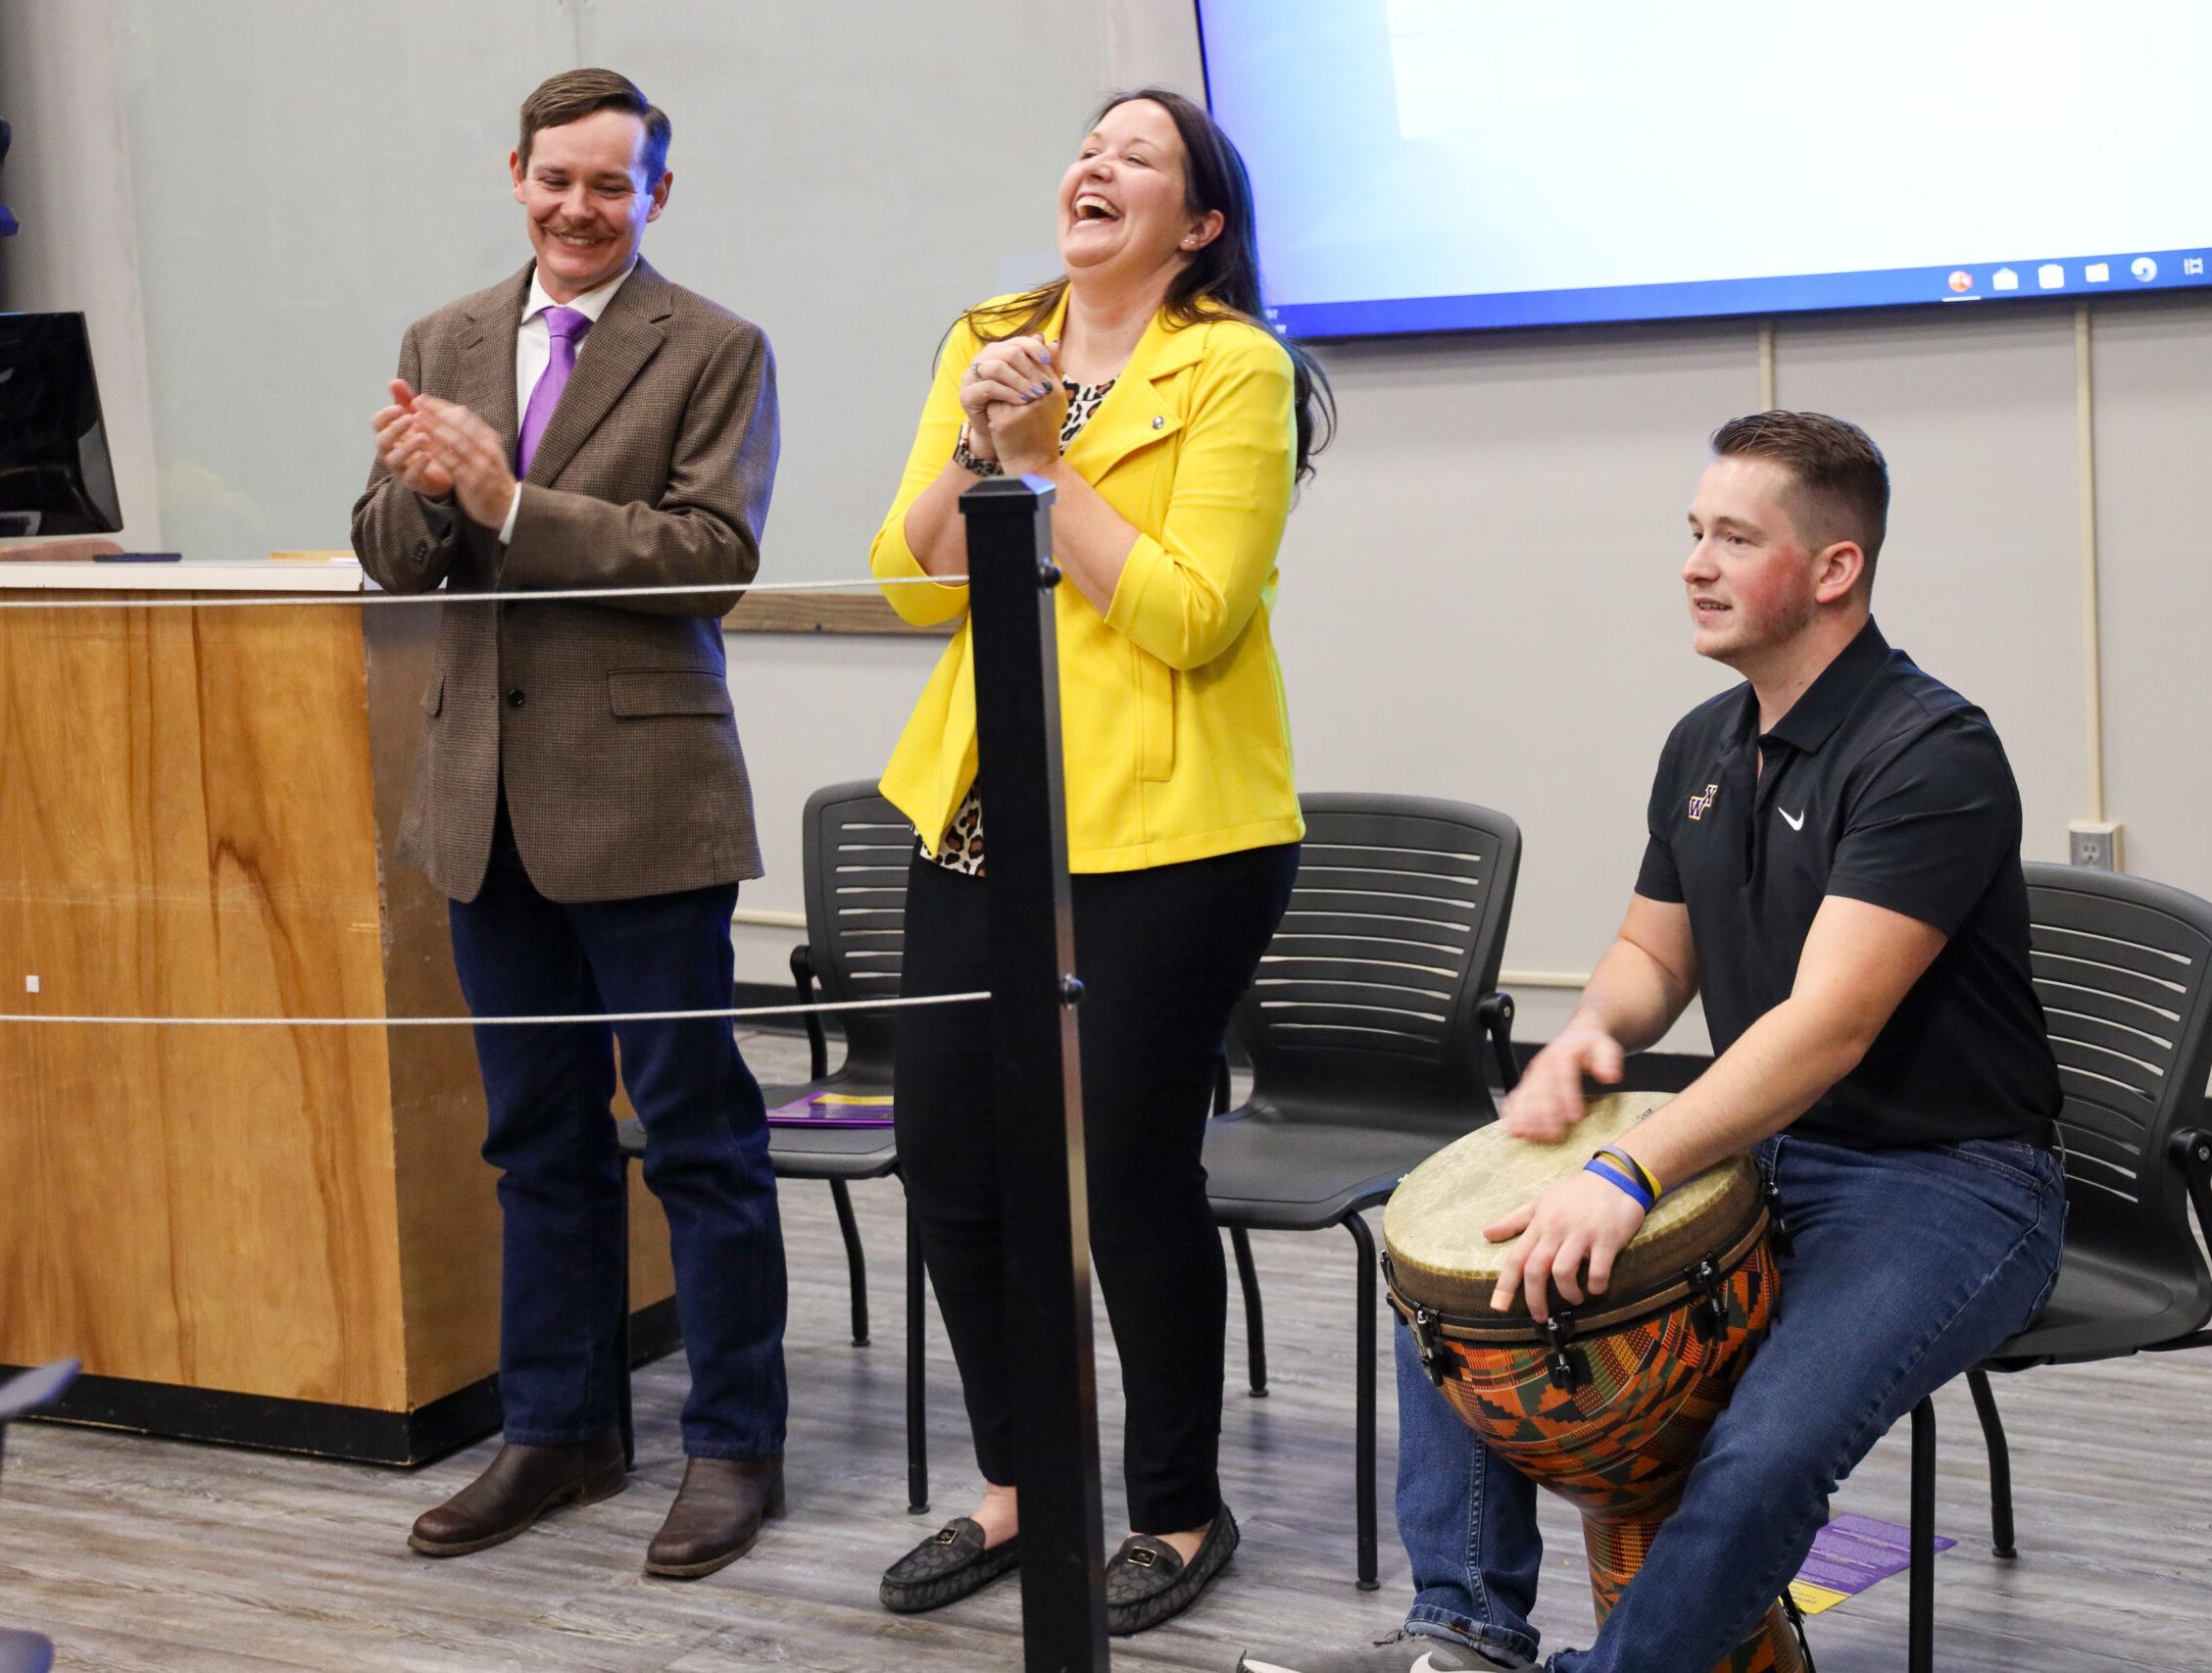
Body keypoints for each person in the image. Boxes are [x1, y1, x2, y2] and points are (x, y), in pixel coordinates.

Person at [1239, 412, 2067, 1673]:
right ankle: (1461, 1635)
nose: (1694, 563)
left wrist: (1629, 1169)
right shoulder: (1705, 742)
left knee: (1766, 1452)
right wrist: (1588, 1041)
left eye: (1736, 538)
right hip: (1769, 1154)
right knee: (1468, 1286)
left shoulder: (1928, 753)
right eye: (1694, 533)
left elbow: (1826, 1025)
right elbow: (1652, 959)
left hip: (1950, 1179)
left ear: (1835, 570)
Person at [867, 86, 1333, 1636]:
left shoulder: (1234, 366)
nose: (1096, 167)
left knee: (1125, 1172)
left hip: (1172, 830)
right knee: (947, 1154)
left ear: (1197, 224)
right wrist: (974, 442)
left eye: (1138, 158)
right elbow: (912, 583)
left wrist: (1043, 467)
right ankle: (1021, 1485)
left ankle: (1176, 1508)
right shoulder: (991, 333)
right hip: (988, 810)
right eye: (1089, 147)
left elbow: (1194, 613)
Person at [350, 67, 786, 1581]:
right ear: (515, 175)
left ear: (657, 194)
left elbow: (711, 553)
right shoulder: (445, 337)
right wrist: (426, 496)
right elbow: (396, 556)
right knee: (537, 1138)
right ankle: (561, 1426)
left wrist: (510, 495)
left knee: (700, 1140)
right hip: (481, 803)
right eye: (556, 180)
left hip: (646, 804)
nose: (579, 208)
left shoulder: (714, 345)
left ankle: (732, 1444)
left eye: (612, 185)